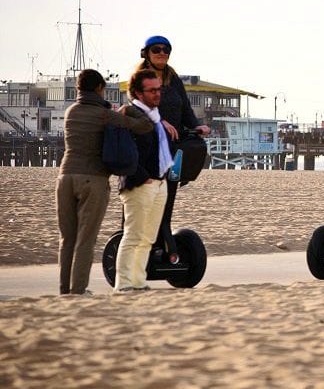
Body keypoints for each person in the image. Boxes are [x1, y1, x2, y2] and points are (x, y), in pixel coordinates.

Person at [56, 69, 153, 295]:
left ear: (79, 89)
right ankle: (78, 289)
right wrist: (129, 110)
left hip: (65, 177)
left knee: (67, 238)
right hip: (94, 179)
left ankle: (64, 289)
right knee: (85, 239)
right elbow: (145, 125)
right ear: (100, 88)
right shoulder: (104, 114)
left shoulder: (71, 111)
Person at [134, 36, 210, 254]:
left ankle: (164, 240)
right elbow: (135, 107)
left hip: (173, 149)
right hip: (149, 148)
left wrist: (197, 126)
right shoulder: (140, 79)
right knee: (147, 199)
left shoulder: (173, 78)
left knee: (167, 198)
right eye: (156, 49)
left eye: (166, 49)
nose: (162, 53)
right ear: (146, 53)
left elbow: (185, 108)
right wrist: (159, 120)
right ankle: (142, 246)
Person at [113, 70, 174, 293]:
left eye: (159, 89)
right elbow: (124, 150)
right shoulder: (129, 113)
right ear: (138, 92)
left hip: (160, 182)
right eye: (152, 90)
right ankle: (123, 284)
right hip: (141, 184)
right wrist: (143, 177)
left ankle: (138, 281)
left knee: (148, 237)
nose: (157, 94)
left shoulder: (156, 116)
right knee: (133, 235)